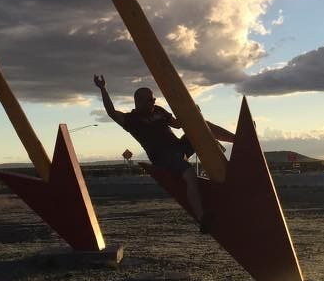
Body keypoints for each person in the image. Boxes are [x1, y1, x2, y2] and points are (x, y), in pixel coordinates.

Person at [94, 74, 234, 233]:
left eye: (154, 99)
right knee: (189, 174)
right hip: (163, 158)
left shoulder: (159, 111)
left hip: (179, 147)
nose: (154, 102)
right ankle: (202, 218)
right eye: (150, 100)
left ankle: (237, 139)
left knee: (203, 126)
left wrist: (192, 114)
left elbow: (178, 125)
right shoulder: (131, 120)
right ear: (139, 101)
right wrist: (103, 88)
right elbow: (111, 112)